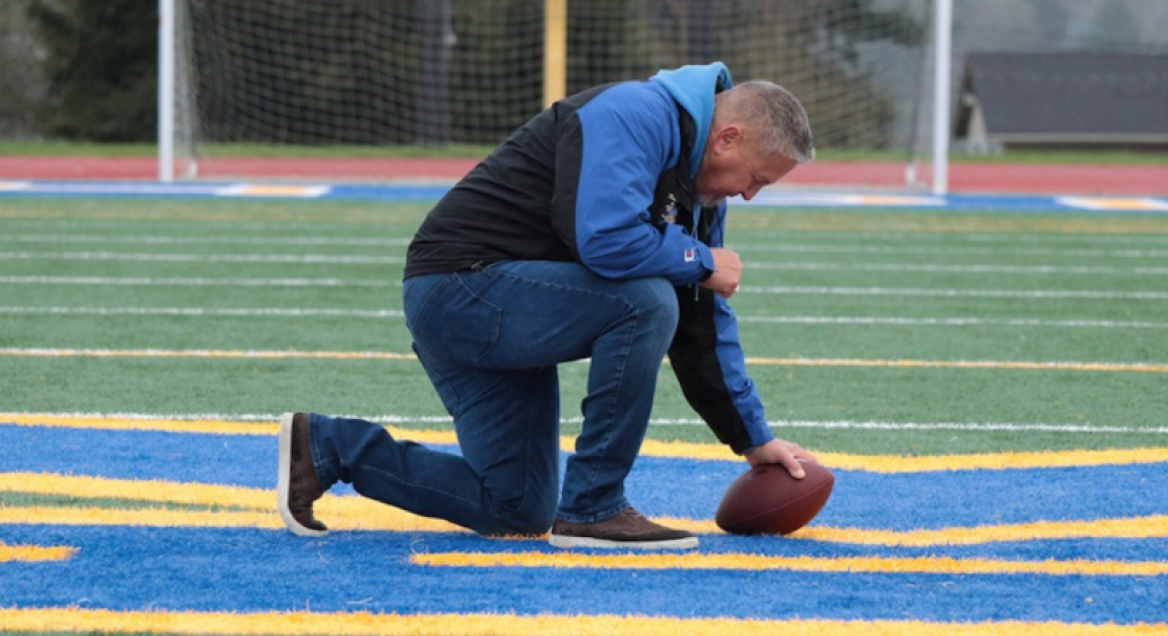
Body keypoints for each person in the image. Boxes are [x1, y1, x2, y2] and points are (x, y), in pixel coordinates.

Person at [277, 61, 818, 550]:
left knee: (514, 508)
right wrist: (700, 260)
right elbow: (604, 239)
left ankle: (330, 447)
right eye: (758, 179)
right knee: (645, 302)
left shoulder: (699, 187)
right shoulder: (636, 113)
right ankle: (594, 506)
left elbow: (700, 320)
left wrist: (753, 439)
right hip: (460, 288)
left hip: (507, 303)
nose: (750, 195)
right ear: (727, 138)